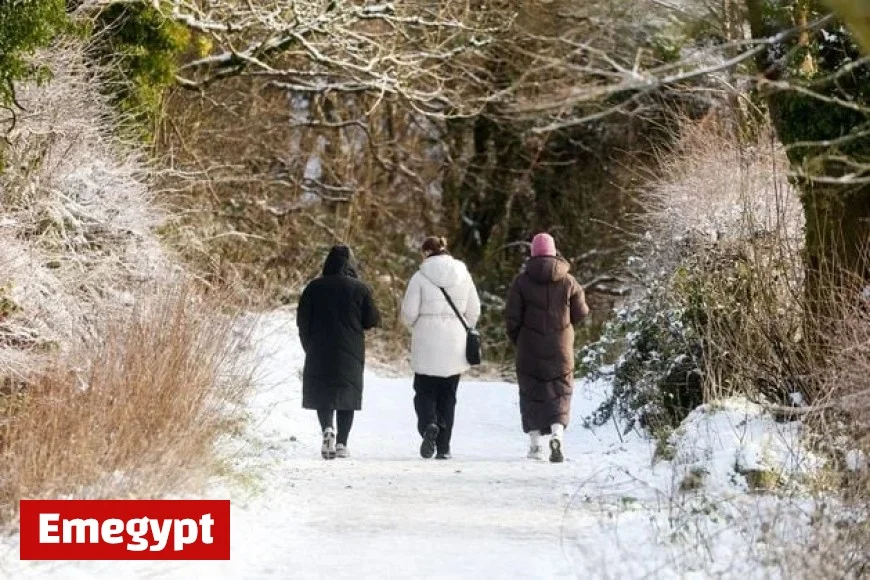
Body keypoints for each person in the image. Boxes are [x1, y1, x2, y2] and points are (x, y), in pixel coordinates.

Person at [504, 233, 589, 463]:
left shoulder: (521, 282)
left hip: (529, 346)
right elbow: (582, 312)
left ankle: (535, 446)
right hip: (560, 348)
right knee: (560, 391)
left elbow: (511, 318)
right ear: (554, 252)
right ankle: (557, 436)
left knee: (530, 392)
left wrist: (520, 339)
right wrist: (564, 328)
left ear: (532, 253)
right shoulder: (569, 281)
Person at [401, 236, 481, 460]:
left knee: (424, 391)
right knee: (448, 396)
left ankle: (429, 424)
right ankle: (444, 447)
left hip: (427, 341)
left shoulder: (419, 277)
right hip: (455, 343)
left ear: (426, 253)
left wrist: (418, 324)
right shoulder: (463, 274)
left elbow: (408, 314)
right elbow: (474, 309)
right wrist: (462, 327)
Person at [297, 245, 380, 460]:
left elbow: (302, 321)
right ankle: (342, 442)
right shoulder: (360, 288)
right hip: (350, 349)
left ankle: (327, 429)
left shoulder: (313, 288)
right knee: (347, 394)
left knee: (323, 392)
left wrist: (308, 345)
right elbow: (371, 320)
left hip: (319, 348)